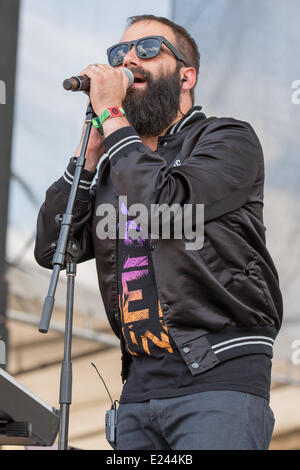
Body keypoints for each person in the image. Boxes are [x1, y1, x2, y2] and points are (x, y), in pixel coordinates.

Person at [34, 15, 283, 450]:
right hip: (138, 390)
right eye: (120, 53)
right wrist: (89, 157)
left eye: (148, 48)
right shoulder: (116, 163)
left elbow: (165, 202)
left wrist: (112, 116)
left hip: (218, 377)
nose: (129, 59)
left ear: (187, 76)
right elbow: (55, 248)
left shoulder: (226, 139)